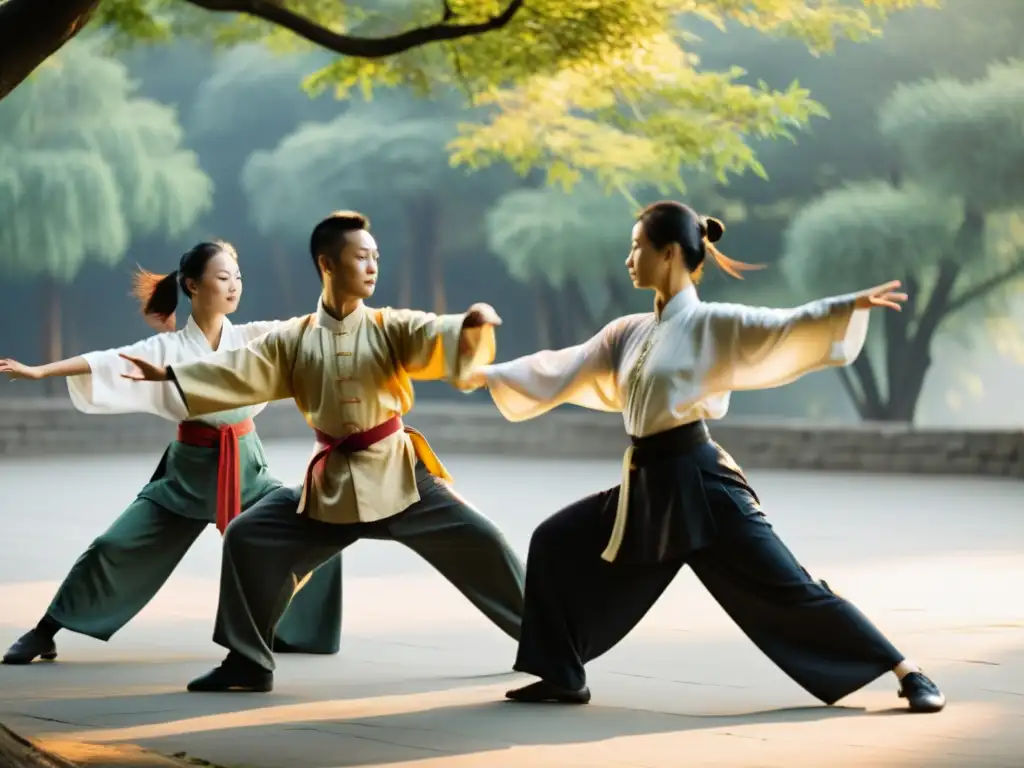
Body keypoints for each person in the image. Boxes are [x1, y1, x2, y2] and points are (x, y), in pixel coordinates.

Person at [464, 201, 946, 713]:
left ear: (669, 253)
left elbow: (779, 326)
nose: (629, 258)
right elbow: (563, 365)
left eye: (637, 247)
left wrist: (844, 309)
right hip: (647, 487)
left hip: (701, 483)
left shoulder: (711, 324)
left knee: (790, 587)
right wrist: (486, 373)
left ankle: (906, 669)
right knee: (555, 540)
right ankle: (561, 675)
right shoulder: (628, 331)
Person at [119, 211, 526, 693]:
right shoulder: (294, 339)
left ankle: (553, 651)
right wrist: (170, 375)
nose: (373, 266)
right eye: (361, 257)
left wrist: (470, 326)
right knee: (249, 535)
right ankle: (248, 660)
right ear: (327, 264)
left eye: (376, 257)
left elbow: (433, 332)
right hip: (330, 485)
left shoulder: (389, 325)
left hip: (399, 477)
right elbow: (236, 368)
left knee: (486, 542)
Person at [0, 241, 343, 666]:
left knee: (318, 524)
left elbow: (308, 326)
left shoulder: (253, 338)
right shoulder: (166, 350)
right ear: (192, 286)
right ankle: (45, 631)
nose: (234, 286)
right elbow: (104, 362)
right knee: (113, 546)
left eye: (237, 278)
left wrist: (340, 281)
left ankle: (295, 631)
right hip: (188, 474)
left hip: (247, 469)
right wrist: (39, 371)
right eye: (222, 278)